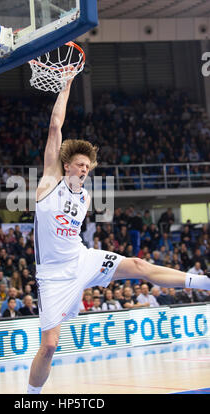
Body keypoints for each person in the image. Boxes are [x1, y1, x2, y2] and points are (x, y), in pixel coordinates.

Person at [27, 76, 210, 395]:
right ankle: (31, 397)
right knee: (50, 347)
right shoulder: (49, 183)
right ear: (66, 165)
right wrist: (66, 87)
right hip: (53, 276)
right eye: (80, 165)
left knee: (138, 265)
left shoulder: (84, 196)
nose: (84, 170)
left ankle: (203, 282)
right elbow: (55, 128)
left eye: (88, 167)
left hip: (82, 259)